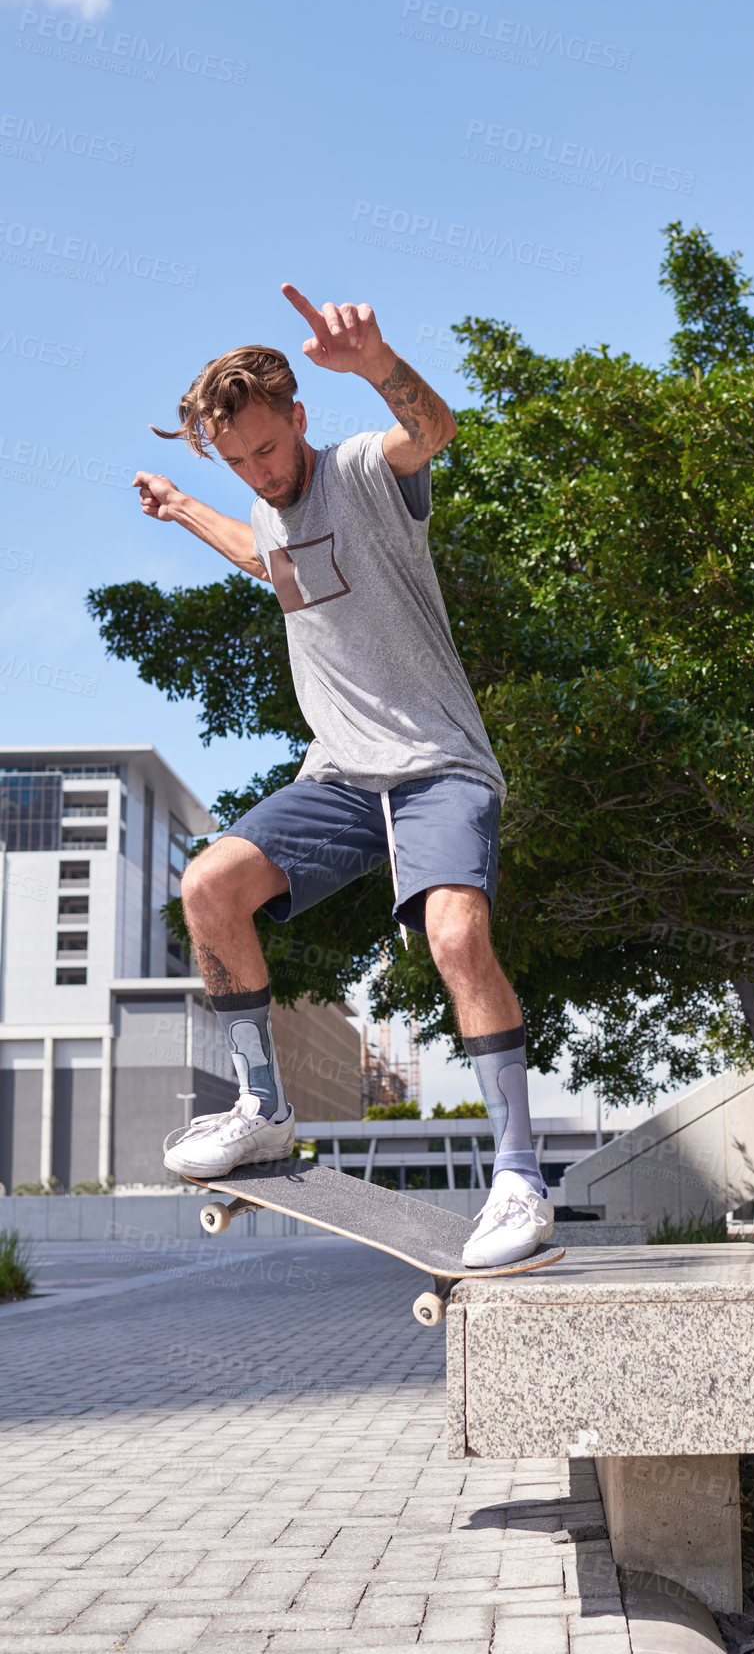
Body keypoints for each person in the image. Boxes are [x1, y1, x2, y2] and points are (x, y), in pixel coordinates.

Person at [133, 284, 551, 1268]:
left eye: (267, 451)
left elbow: (432, 428)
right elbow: (265, 557)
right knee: (208, 887)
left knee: (454, 935)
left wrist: (379, 362)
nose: (260, 472)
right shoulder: (264, 510)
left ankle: (521, 1175)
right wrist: (187, 503)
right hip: (340, 777)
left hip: (439, 766)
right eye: (237, 462)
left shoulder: (363, 471)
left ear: (301, 420)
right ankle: (262, 1108)